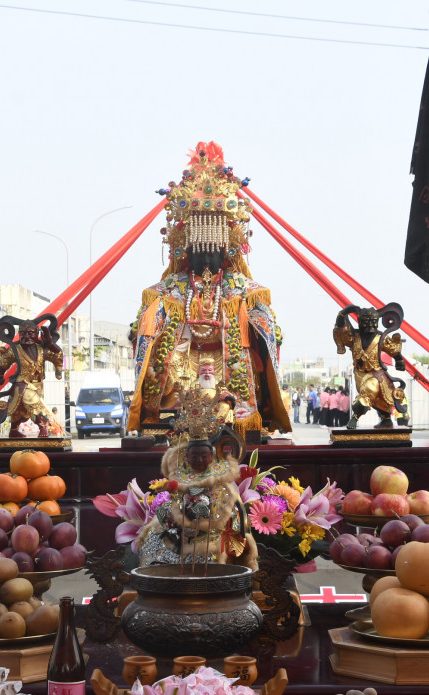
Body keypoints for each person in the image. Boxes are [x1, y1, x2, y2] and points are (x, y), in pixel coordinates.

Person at [127, 142, 291, 439]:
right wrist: (148, 324)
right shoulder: (169, 289)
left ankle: (240, 411)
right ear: (185, 248)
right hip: (185, 366)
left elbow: (266, 325)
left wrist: (258, 320)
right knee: (164, 369)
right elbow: (149, 326)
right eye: (199, 249)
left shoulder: (243, 289)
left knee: (245, 369)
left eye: (212, 249)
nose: (206, 258)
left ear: (226, 249)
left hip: (226, 364)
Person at [133, 387, 257, 570]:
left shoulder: (220, 480)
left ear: (212, 456)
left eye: (204, 456)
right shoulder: (180, 475)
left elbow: (230, 513)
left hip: (213, 530)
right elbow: (172, 505)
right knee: (156, 531)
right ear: (186, 457)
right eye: (195, 456)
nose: (199, 460)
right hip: (179, 529)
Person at [333, 306, 407, 429]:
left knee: (368, 392)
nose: (370, 325)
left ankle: (355, 418)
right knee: (377, 400)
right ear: (360, 322)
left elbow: (393, 350)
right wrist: (344, 313)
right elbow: (341, 328)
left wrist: (399, 360)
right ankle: (386, 420)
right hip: (359, 374)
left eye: (373, 322)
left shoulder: (380, 338)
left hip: (376, 375)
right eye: (366, 322)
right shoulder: (354, 337)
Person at [0, 318, 64, 438]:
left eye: (31, 333)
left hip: (38, 385)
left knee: (21, 409)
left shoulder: (41, 349)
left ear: (37, 334)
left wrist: (50, 343)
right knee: (33, 403)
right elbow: (4, 362)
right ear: (19, 334)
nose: (27, 336)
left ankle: (14, 430)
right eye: (23, 333)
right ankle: (42, 427)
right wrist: (0, 376)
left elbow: (57, 355)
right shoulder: (15, 350)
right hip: (22, 384)